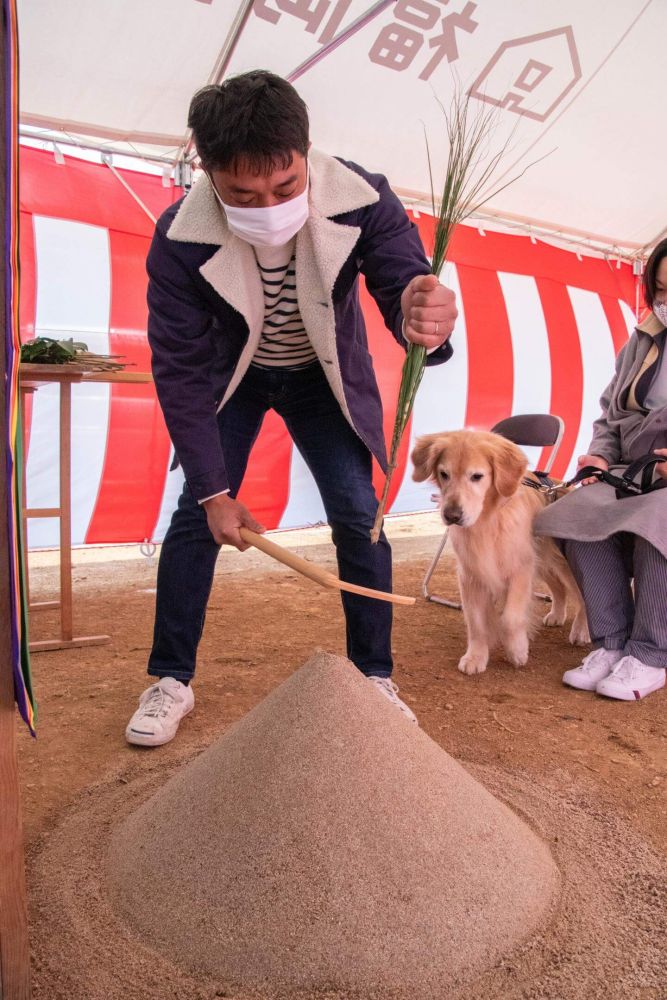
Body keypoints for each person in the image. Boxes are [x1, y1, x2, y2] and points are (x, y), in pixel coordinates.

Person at [125, 71, 457, 746]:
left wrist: (426, 318)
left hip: (320, 378)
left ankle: (374, 676)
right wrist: (216, 490)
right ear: (205, 168)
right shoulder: (178, 237)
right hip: (233, 380)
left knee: (359, 517)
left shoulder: (361, 196)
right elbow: (183, 370)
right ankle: (169, 678)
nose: (268, 205)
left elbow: (403, 283)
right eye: (242, 194)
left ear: (305, 151)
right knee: (196, 516)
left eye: (284, 187)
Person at [535, 238, 667, 701]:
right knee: (575, 511)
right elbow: (610, 414)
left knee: (658, 519)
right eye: (662, 290)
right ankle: (612, 643)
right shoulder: (643, 339)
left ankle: (651, 654)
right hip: (632, 470)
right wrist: (599, 457)